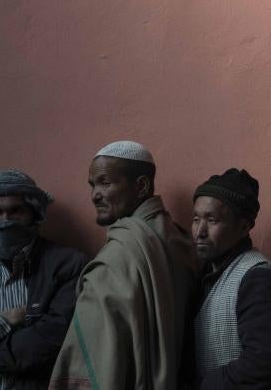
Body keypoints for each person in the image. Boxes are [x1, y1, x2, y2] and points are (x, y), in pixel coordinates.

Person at [49, 141, 196, 390]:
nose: (95, 194)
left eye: (105, 183)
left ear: (141, 186)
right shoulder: (178, 238)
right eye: (93, 185)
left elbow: (96, 359)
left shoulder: (118, 255)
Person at [0, 170, 87, 389]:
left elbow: (59, 332)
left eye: (16, 210)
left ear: (35, 213)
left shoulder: (68, 264)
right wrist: (1, 321)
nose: (5, 221)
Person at [191, 168, 271, 389]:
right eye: (196, 219)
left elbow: (263, 363)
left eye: (212, 220)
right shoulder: (205, 273)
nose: (199, 231)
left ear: (244, 227)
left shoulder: (258, 278)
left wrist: (202, 385)